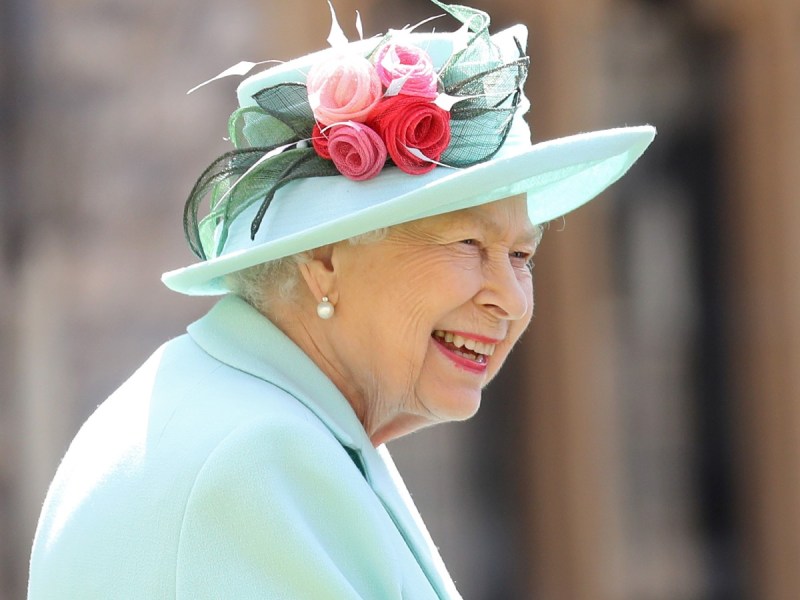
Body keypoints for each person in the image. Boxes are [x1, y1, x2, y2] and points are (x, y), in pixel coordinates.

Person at [27, 1, 654, 598]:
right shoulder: (260, 456)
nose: (510, 300)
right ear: (325, 261)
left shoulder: (272, 414)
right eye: (468, 244)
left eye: (521, 256)